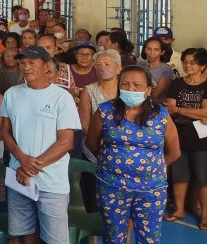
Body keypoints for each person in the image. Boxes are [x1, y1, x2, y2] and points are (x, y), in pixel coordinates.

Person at [86, 66, 181, 243]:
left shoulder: (161, 115)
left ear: (148, 90)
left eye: (137, 85)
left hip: (151, 190)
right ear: (119, 86)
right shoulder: (105, 111)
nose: (131, 89)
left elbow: (174, 152)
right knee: (114, 237)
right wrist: (111, 161)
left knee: (149, 238)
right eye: (125, 84)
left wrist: (154, 167)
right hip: (112, 186)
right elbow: (91, 142)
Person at [0, 45, 80, 244]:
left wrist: (30, 167)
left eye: (32, 63)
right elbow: (5, 132)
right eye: (23, 63)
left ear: (46, 66)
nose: (26, 67)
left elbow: (66, 142)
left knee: (55, 239)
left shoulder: (62, 97)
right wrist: (21, 160)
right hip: (19, 178)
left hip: (51, 180)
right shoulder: (12, 93)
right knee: (26, 233)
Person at [164, 47, 207, 228]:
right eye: (185, 61)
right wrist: (197, 113)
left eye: (193, 62)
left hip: (202, 138)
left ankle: (205, 216)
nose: (188, 65)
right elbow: (169, 109)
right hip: (179, 134)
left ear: (203, 65)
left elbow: (206, 112)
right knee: (179, 174)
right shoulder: (177, 84)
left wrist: (180, 110)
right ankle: (179, 209)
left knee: (203, 177)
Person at [78, 50, 122, 164]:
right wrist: (103, 144)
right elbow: (85, 125)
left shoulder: (125, 90)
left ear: (118, 69)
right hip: (94, 149)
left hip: (123, 150)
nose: (102, 68)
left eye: (107, 64)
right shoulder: (89, 90)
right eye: (98, 65)